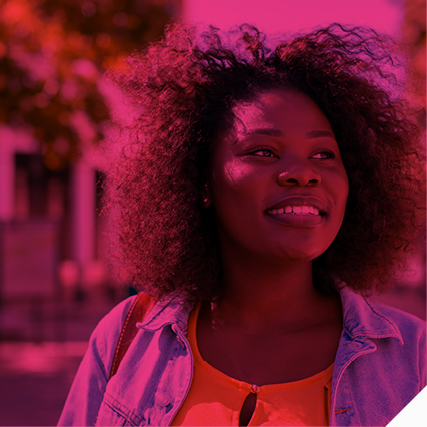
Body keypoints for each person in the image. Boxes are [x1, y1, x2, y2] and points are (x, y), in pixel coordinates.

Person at [58, 22, 426, 426]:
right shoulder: (127, 339)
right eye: (264, 151)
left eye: (323, 154)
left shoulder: (416, 360)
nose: (303, 173)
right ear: (201, 183)